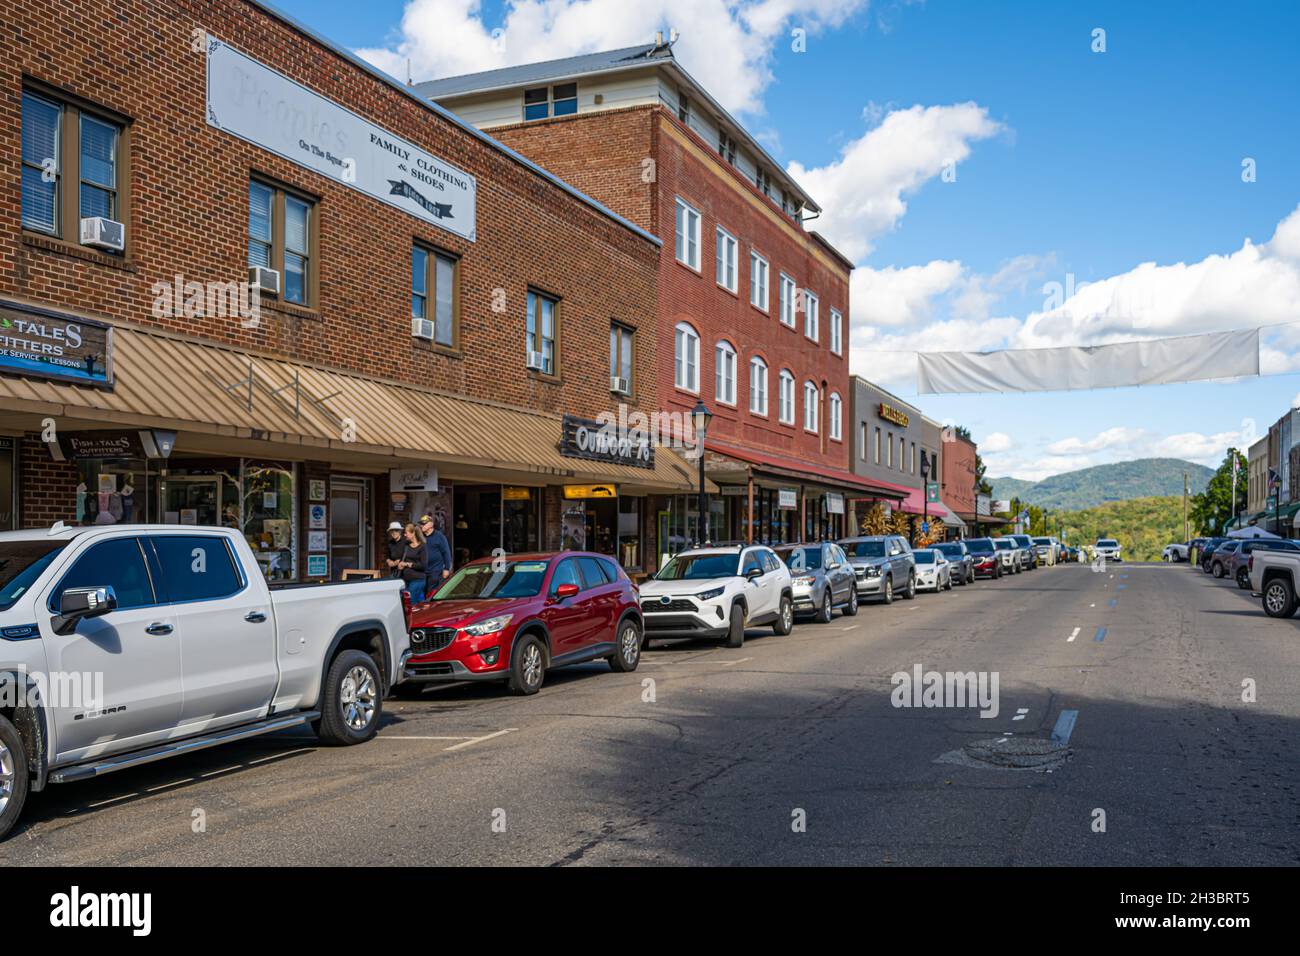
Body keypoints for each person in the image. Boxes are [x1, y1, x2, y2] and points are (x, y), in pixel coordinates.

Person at [419, 513, 452, 596]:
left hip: (435, 571)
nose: (421, 526)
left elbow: (446, 553)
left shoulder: (440, 537)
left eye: (424, 524)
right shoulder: (420, 537)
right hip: (422, 571)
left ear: (431, 524)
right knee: (421, 593)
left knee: (431, 594)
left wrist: (447, 568)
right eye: (421, 524)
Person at [397, 523, 428, 602]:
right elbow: (402, 559)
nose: (404, 535)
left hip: (417, 580)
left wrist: (407, 564)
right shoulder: (406, 546)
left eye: (406, 533)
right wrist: (400, 564)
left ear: (413, 533)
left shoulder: (422, 547)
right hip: (406, 580)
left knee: (411, 603)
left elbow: (423, 566)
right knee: (412, 604)